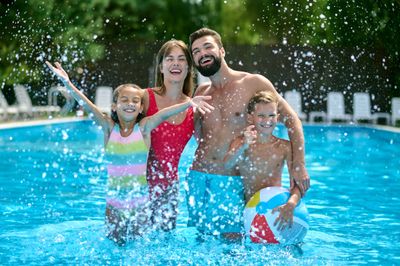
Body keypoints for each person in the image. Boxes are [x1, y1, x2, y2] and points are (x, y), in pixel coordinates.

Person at [45, 61, 213, 245]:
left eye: (135, 101)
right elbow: (88, 107)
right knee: (115, 246)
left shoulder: (143, 128)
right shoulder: (109, 128)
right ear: (115, 106)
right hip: (113, 203)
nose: (130, 104)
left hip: (139, 203)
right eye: (124, 100)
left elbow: (163, 114)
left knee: (138, 248)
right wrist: (68, 84)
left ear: (141, 108)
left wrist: (189, 103)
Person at [186, 28, 309, 238]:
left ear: (222, 50)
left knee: (231, 247)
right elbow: (198, 134)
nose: (202, 53)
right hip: (197, 178)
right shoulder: (201, 93)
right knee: (201, 241)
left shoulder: (253, 83)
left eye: (208, 47)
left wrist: (298, 163)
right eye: (196, 51)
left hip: (229, 180)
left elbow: (292, 120)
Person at [223, 91, 301, 231]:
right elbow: (227, 164)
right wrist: (244, 145)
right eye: (261, 116)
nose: (267, 120)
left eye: (271, 115)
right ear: (250, 118)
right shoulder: (241, 142)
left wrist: (291, 204)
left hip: (275, 209)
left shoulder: (285, 147)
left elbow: (297, 184)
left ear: (277, 117)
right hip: (247, 209)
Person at [142, 40, 198, 231]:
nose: (176, 63)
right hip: (139, 186)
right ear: (161, 67)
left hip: (169, 189)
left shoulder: (193, 109)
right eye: (170, 59)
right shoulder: (145, 98)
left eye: (181, 59)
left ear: (188, 68)